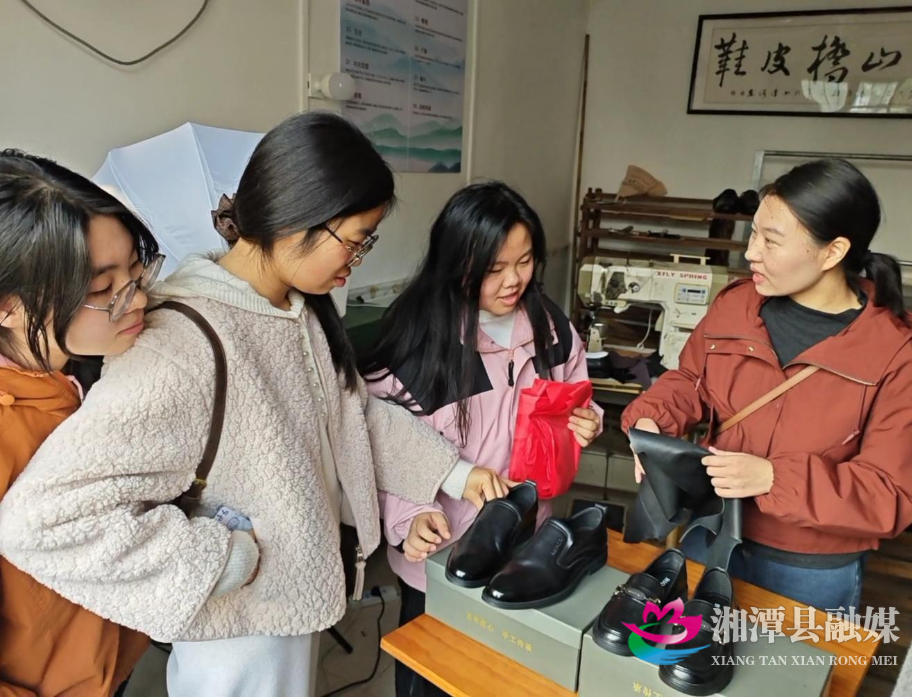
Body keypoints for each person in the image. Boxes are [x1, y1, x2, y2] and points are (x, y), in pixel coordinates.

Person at [0, 113, 506, 697]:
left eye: (137, 272)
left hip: (287, 597)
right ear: (296, 220)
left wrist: (455, 473)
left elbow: (350, 417)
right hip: (238, 625)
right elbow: (42, 522)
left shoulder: (295, 309)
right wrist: (222, 559)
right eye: (354, 240)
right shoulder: (177, 343)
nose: (358, 258)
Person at [622, 158, 912, 610]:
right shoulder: (737, 306)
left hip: (808, 570)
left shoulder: (894, 358)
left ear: (833, 252)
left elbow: (888, 493)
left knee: (787, 660)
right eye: (753, 234)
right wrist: (653, 419)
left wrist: (772, 478)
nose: (752, 252)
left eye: (771, 240)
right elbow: (691, 380)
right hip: (711, 532)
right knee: (685, 649)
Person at [361, 182, 602, 697]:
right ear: (457, 264)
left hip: (526, 546)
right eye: (495, 268)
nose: (514, 280)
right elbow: (379, 444)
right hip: (443, 553)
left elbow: (578, 393)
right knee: (432, 682)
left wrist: (588, 419)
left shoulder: (551, 327)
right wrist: (409, 517)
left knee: (502, 680)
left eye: (525, 261)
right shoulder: (418, 342)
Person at [0, 150, 153, 695]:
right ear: (7, 305)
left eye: (137, 272)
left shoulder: (84, 372)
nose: (138, 299)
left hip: (111, 659)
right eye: (100, 290)